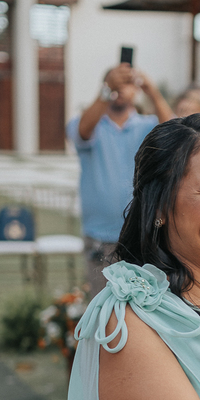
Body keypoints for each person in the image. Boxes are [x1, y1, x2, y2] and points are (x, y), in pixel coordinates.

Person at [67, 61, 172, 296]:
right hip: (100, 237)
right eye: (115, 83)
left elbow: (175, 134)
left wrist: (153, 92)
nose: (120, 90)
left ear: (136, 89)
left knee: (143, 311)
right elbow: (82, 131)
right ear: (105, 87)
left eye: (126, 83)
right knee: (102, 310)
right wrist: (107, 89)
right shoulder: (89, 123)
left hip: (142, 234)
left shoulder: (148, 125)